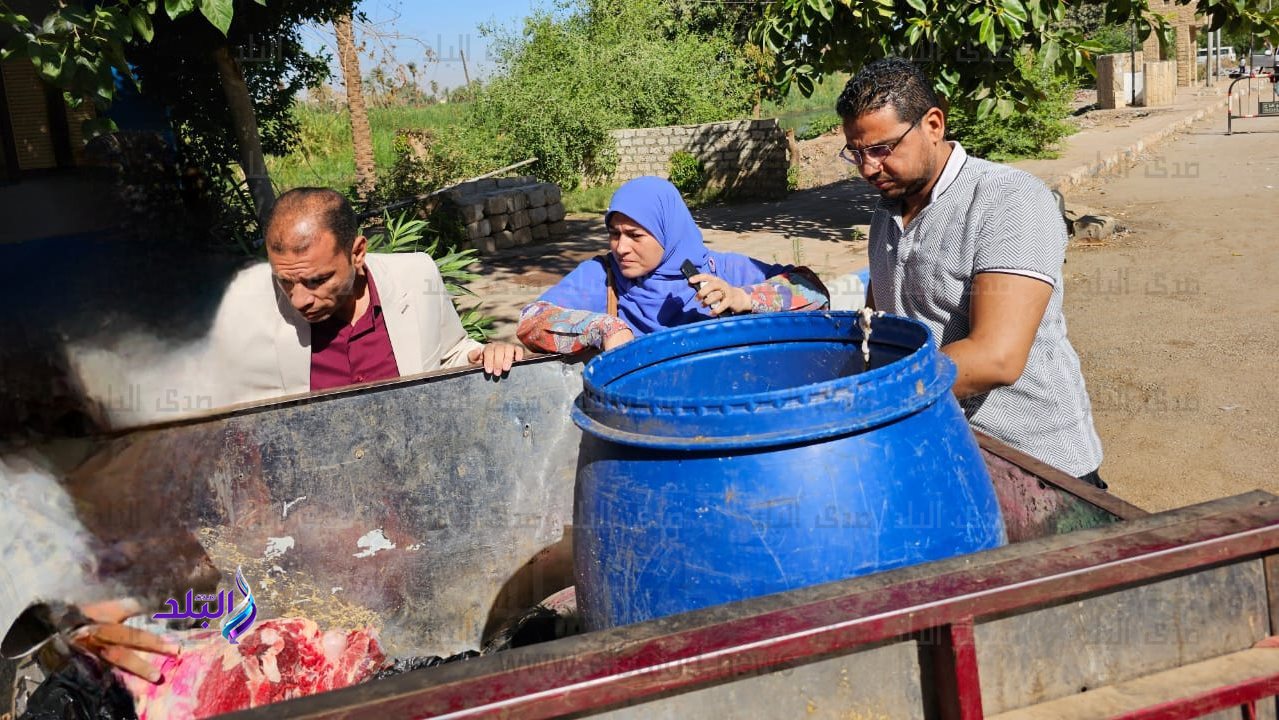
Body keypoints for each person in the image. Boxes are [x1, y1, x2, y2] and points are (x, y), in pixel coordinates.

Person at [836, 58, 1106, 488]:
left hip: (1038, 470)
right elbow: (882, 330)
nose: (868, 168)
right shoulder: (886, 215)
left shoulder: (1008, 200)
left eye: (882, 149)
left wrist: (865, 399)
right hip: (944, 456)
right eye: (858, 153)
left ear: (934, 124)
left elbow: (995, 358)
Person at [209, 188, 523, 407]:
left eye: (317, 280)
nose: (299, 300)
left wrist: (481, 355)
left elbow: (450, 353)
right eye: (286, 281)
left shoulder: (416, 276)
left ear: (357, 252)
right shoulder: (254, 306)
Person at [517, 176, 829, 353]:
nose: (621, 247)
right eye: (614, 234)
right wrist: (603, 328)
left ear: (668, 231)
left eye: (635, 235)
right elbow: (530, 321)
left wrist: (742, 298)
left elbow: (815, 292)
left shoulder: (719, 271)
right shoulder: (604, 276)